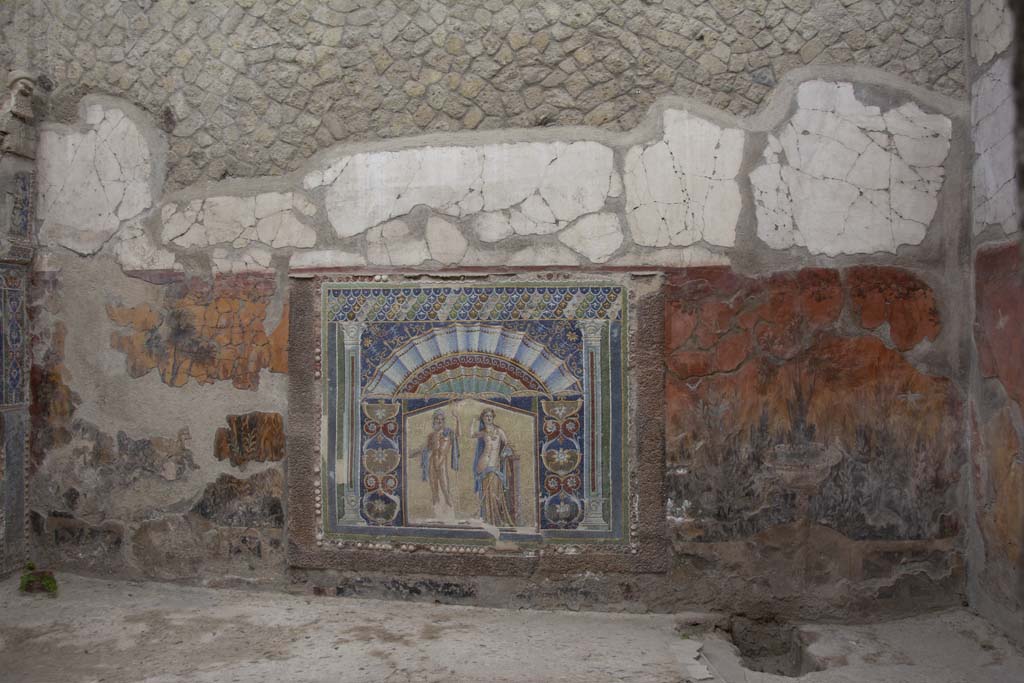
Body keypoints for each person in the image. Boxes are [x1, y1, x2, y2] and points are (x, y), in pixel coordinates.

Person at [471, 407, 517, 527]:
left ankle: (496, 519)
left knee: (495, 492)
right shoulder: (483, 432)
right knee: (486, 492)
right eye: (486, 416)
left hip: (495, 464)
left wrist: (505, 453)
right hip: (483, 463)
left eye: (490, 416)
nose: (489, 418)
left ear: (493, 417)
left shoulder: (499, 431)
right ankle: (488, 518)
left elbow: (507, 444)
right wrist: (473, 422)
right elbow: (471, 434)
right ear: (483, 418)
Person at [420, 409, 459, 509]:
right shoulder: (431, 435)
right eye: (437, 419)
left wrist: (457, 420)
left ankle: (450, 507)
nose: (439, 421)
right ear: (434, 421)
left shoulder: (448, 432)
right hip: (432, 461)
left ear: (444, 421)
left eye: (441, 419)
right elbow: (427, 449)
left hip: (441, 462)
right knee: (434, 488)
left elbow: (458, 435)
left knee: (445, 487)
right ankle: (435, 508)